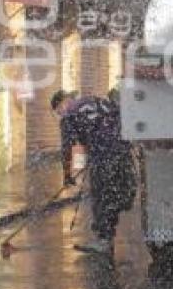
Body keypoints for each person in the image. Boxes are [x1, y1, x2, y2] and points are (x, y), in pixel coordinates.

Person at [53, 90, 136, 255]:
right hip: (123, 152)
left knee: (101, 197)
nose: (59, 114)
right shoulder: (96, 100)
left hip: (105, 158)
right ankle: (108, 234)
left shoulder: (69, 115)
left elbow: (67, 150)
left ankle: (104, 239)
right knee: (116, 194)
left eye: (58, 110)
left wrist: (67, 176)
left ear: (62, 103)